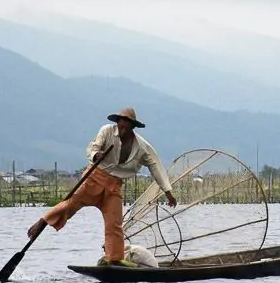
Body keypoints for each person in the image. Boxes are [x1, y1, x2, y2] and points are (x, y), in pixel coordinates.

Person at [27, 107, 177, 266]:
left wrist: (167, 191)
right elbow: (93, 147)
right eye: (121, 124)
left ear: (133, 126)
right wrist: (96, 155)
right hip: (94, 178)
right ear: (117, 122)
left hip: (114, 187)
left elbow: (156, 167)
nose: (122, 128)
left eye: (127, 126)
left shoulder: (142, 147)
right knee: (71, 204)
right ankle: (43, 221)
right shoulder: (107, 131)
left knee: (115, 223)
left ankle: (114, 258)